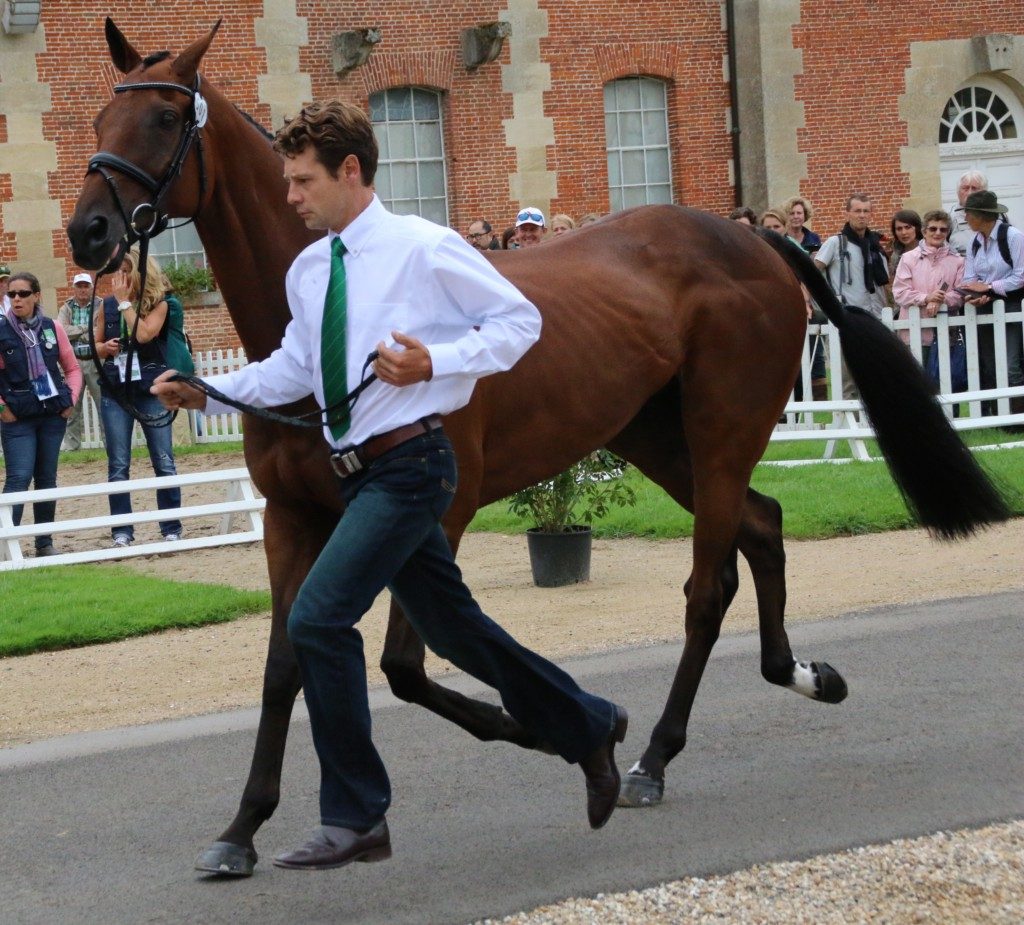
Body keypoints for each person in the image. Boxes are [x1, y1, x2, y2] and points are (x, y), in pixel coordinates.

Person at [151, 100, 627, 870]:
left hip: (411, 466)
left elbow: (519, 323)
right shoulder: (312, 269)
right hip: (360, 471)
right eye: (286, 180)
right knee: (456, 632)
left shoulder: (423, 248)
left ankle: (357, 813)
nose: (290, 196)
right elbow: (296, 372)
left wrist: (433, 364)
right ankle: (591, 722)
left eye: (302, 180)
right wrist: (211, 393)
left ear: (349, 171)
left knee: (317, 618)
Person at [93, 248, 184, 546]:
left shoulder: (161, 303)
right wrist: (106, 347)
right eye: (117, 272)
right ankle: (122, 530)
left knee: (163, 458)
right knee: (118, 463)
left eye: (126, 271)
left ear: (141, 274)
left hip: (149, 387)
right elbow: (94, 345)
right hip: (115, 388)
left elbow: (145, 335)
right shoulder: (105, 305)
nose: (120, 278)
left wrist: (123, 304)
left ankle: (171, 526)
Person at [0, 271, 82, 557]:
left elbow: (72, 368)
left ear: (37, 296)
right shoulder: (1, 329)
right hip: (17, 416)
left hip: (51, 414)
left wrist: (70, 398)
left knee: (46, 479)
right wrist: (2, 408)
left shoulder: (52, 327)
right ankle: (6, 546)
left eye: (23, 293)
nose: (17, 299)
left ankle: (44, 543)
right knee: (19, 478)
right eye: (11, 294)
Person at [815, 193, 890, 400]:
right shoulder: (835, 243)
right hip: (848, 316)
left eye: (866, 211)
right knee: (848, 376)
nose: (862, 215)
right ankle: (850, 426)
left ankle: (870, 421)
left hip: (875, 316)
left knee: (874, 373)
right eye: (857, 211)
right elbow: (814, 271)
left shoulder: (876, 246)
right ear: (848, 213)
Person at [958, 190, 1024, 418]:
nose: (965, 218)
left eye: (968, 213)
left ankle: (1017, 419)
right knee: (990, 364)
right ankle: (998, 416)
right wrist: (972, 294)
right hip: (984, 307)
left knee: (1011, 363)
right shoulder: (975, 242)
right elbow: (969, 278)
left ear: (981, 215)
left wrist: (989, 287)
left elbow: (1021, 276)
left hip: (1012, 306)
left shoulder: (1013, 237)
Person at [892, 210, 964, 368]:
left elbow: (960, 295)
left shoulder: (957, 261)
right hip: (913, 333)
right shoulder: (908, 258)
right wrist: (926, 298)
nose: (937, 233)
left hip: (945, 332)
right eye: (933, 229)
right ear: (924, 231)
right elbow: (900, 293)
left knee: (944, 384)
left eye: (943, 229)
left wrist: (941, 299)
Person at [58, 271, 105, 450]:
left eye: (86, 286)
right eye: (80, 286)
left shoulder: (101, 305)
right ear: (74, 288)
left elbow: (101, 330)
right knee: (72, 407)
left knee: (102, 404)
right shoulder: (66, 307)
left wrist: (80, 332)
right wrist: (86, 329)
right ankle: (72, 446)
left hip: (95, 360)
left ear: (91, 288)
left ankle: (109, 443)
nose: (83, 290)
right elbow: (62, 331)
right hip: (73, 363)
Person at [945, 170, 988, 258]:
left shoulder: (999, 217)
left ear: (984, 192)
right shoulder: (948, 219)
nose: (969, 193)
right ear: (958, 192)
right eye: (965, 188)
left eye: (975, 188)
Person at [888, 209, 923, 279]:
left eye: (907, 227)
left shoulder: (928, 251)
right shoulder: (895, 256)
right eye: (899, 229)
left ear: (917, 228)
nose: (903, 232)